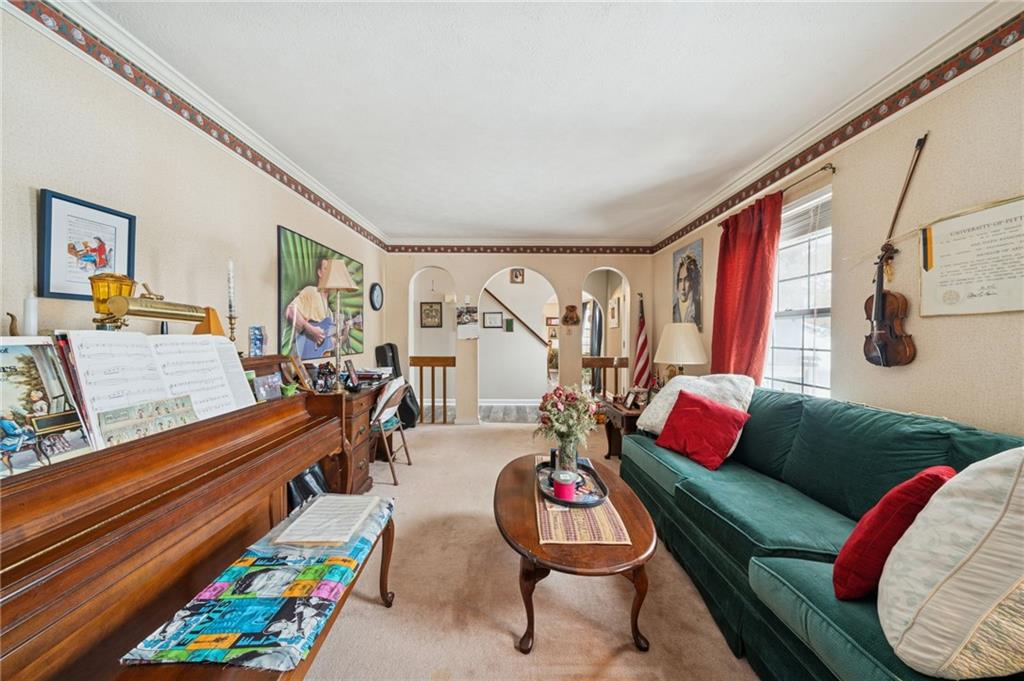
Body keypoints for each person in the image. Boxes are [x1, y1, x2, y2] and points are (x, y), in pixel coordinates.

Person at [285, 257, 337, 359]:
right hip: (308, 362)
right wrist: (310, 329)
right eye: (326, 269)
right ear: (319, 273)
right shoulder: (311, 292)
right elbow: (290, 311)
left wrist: (345, 332)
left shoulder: (330, 312)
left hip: (323, 362)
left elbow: (331, 342)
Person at [673, 254, 702, 329]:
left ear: (693, 282)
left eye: (687, 280)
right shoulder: (674, 310)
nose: (682, 287)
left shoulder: (698, 309)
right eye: (680, 280)